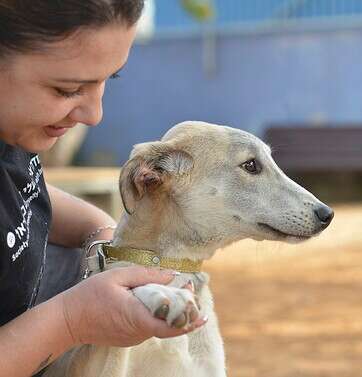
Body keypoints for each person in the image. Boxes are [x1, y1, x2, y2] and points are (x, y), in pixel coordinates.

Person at [0, 1, 204, 376]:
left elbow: (25, 196)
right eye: (67, 89)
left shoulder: (11, 131)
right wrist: (71, 320)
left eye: (111, 78)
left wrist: (104, 239)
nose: (94, 115)